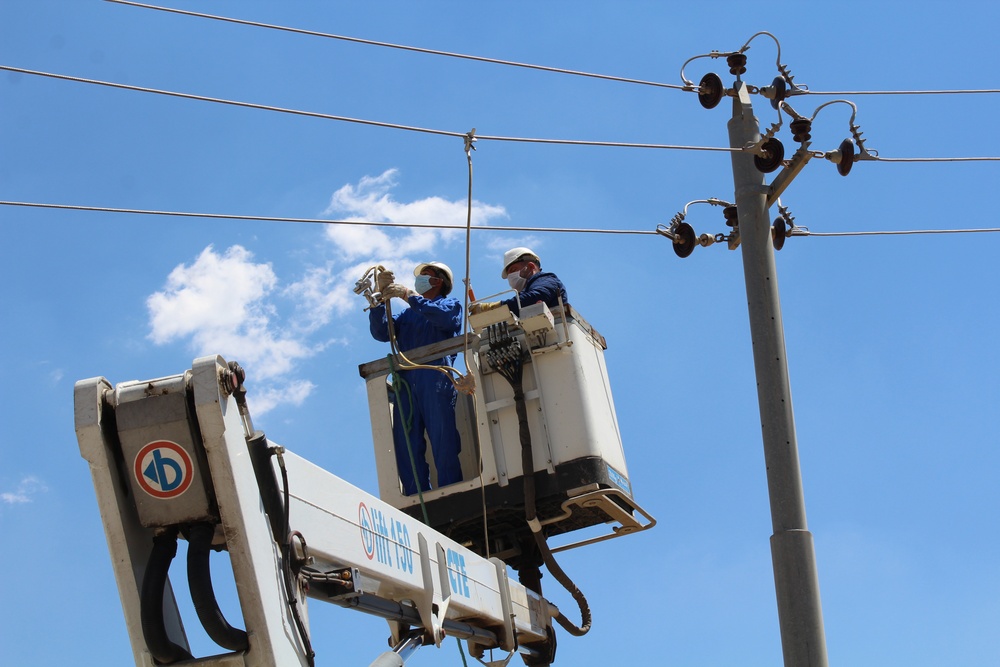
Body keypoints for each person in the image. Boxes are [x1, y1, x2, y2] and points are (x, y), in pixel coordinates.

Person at [369, 261, 464, 496]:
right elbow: (383, 333)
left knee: (443, 438)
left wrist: (407, 295)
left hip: (436, 376)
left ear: (439, 281)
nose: (419, 280)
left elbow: (446, 320)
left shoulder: (449, 304)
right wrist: (380, 301)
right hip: (406, 382)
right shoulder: (408, 315)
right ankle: (416, 496)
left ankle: (451, 493)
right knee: (406, 444)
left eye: (426, 275)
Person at [470, 247, 568, 316]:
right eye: (508, 275)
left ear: (531, 266)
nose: (510, 277)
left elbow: (530, 299)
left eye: (513, 270)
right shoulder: (525, 292)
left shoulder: (548, 281)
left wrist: (491, 308)